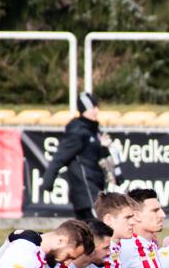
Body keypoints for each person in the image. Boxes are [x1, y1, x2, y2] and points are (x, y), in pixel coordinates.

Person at [42, 92, 115, 221]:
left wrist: (103, 147)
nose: (97, 111)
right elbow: (60, 158)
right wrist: (48, 182)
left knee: (89, 229)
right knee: (99, 226)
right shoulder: (78, 132)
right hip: (85, 190)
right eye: (93, 108)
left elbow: (96, 156)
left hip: (95, 187)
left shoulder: (93, 131)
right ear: (84, 110)